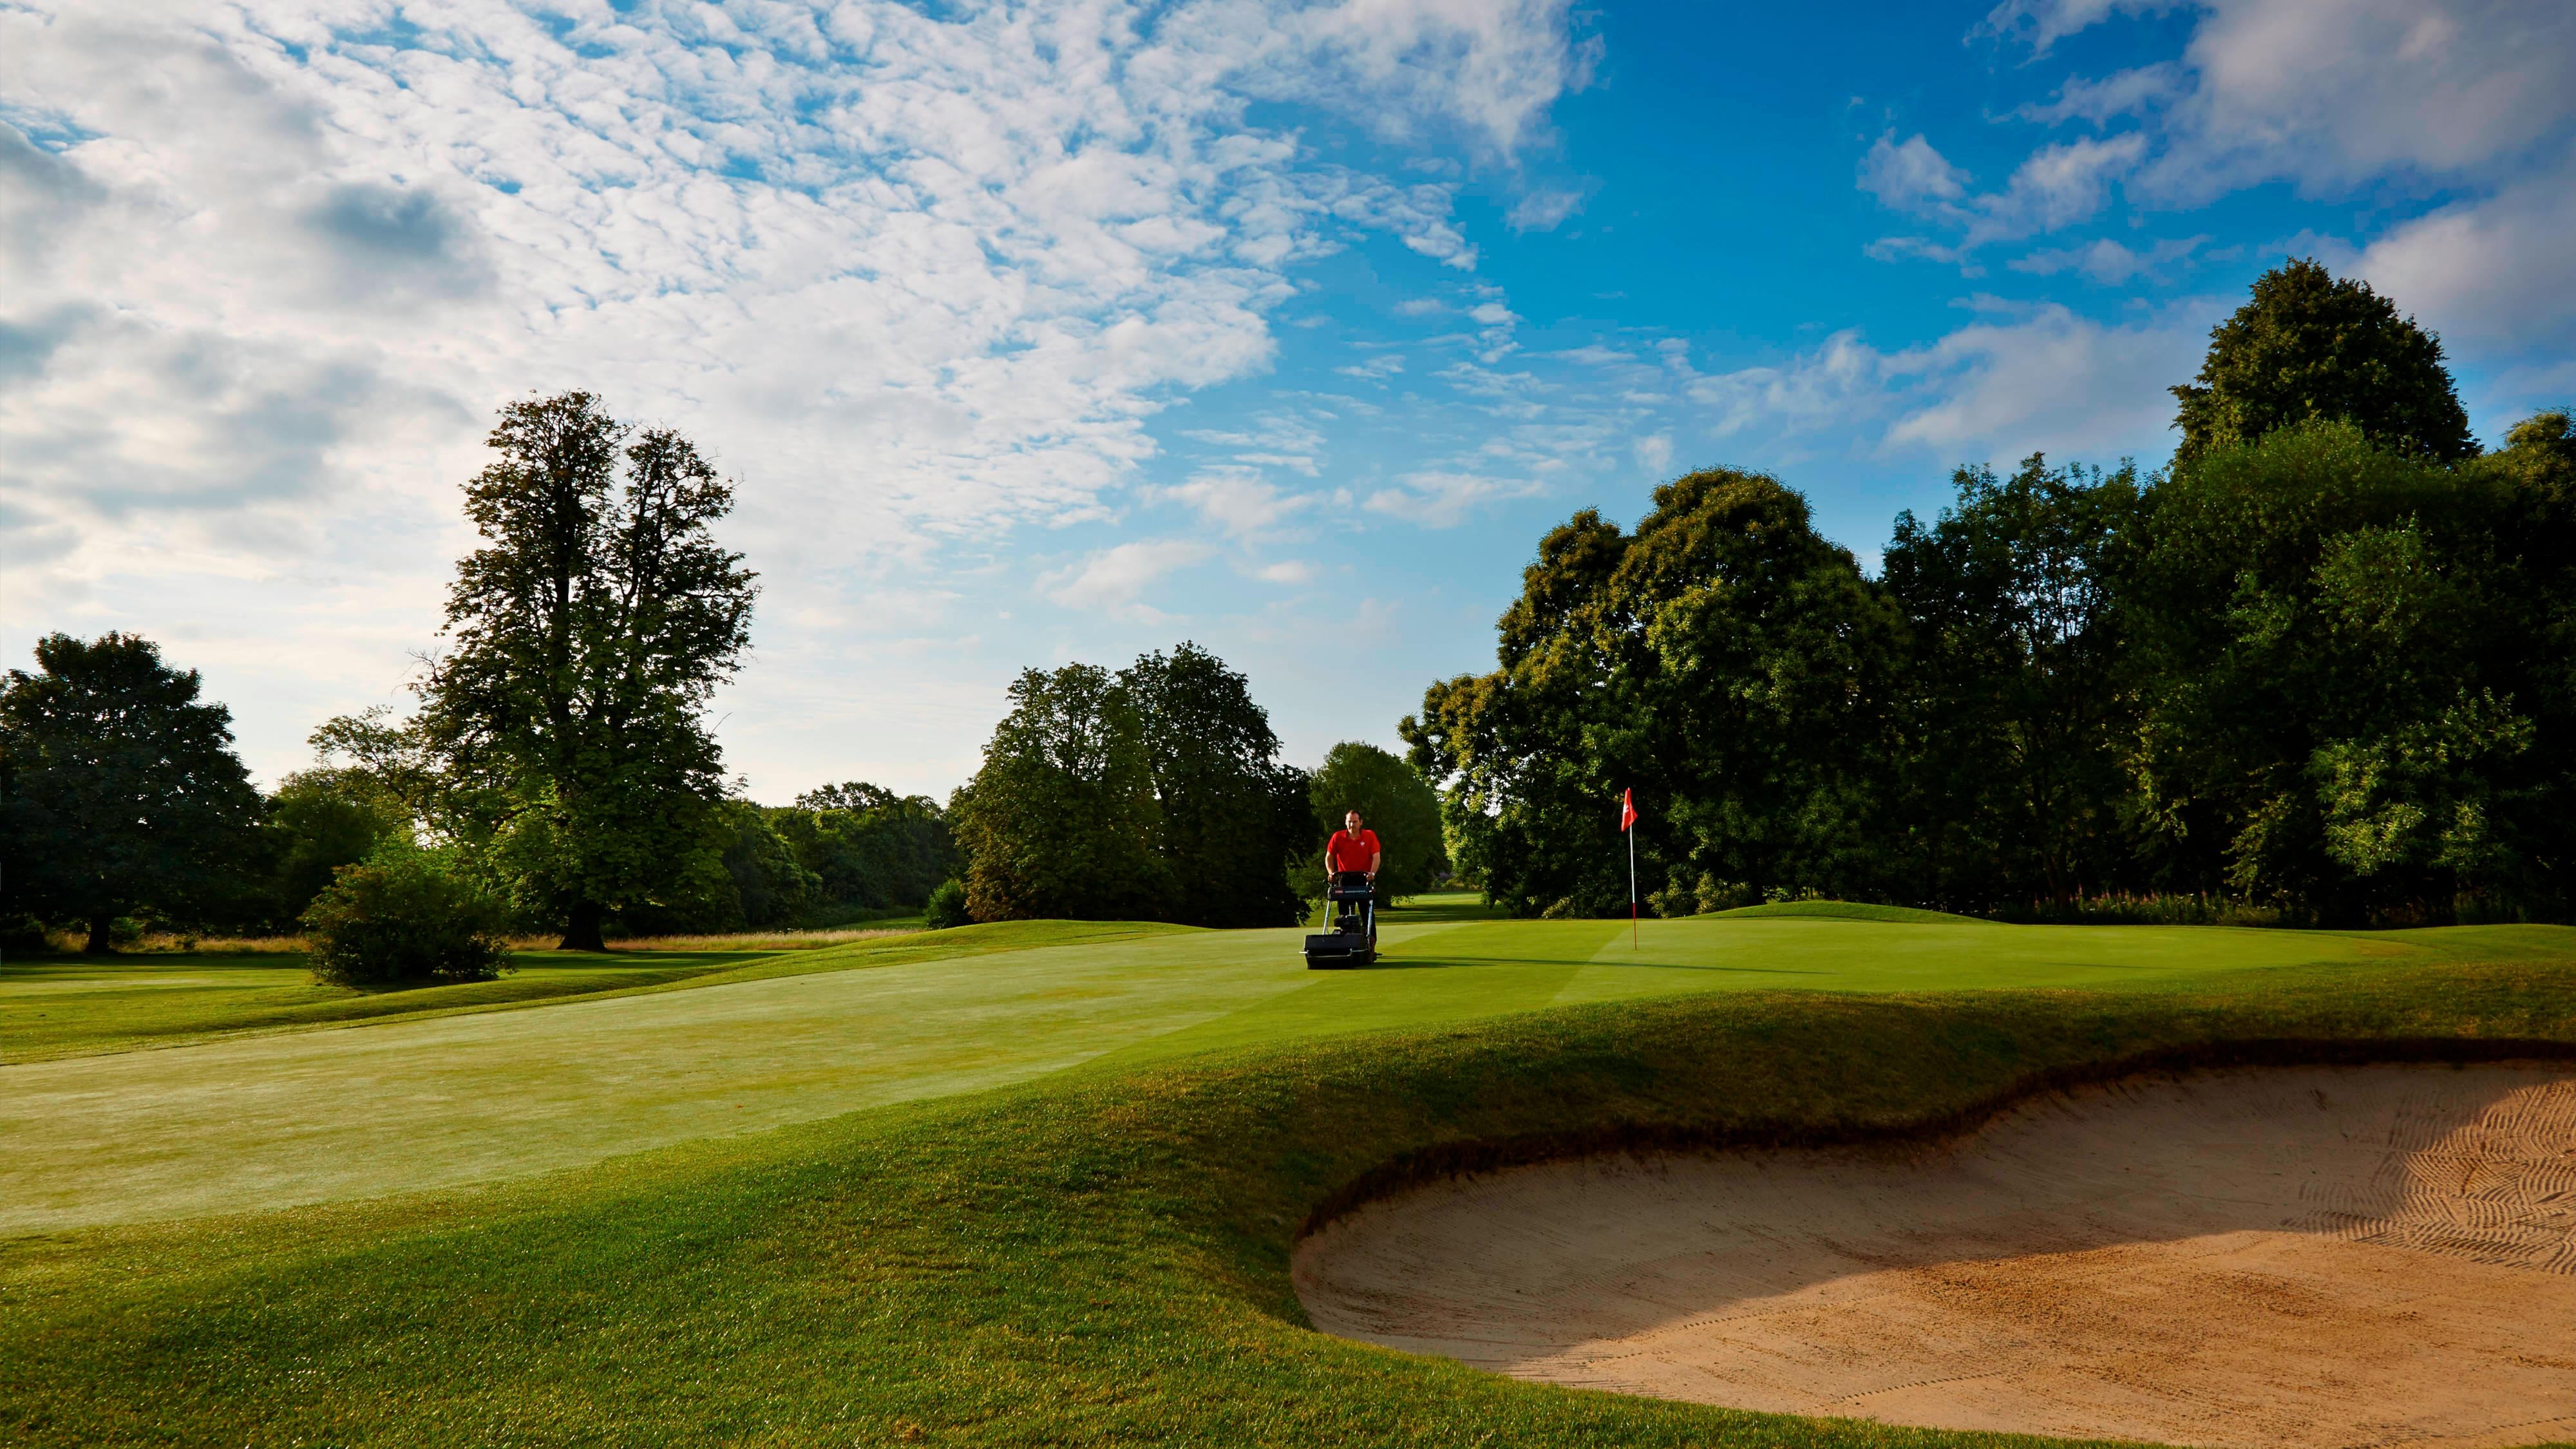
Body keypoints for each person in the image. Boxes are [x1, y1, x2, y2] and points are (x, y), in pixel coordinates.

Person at [1325, 809, 1380, 896]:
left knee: (1365, 907)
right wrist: (1331, 873)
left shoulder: (1370, 836)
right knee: (1343, 907)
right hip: (1344, 877)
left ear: (1361, 822)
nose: (1352, 825)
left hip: (1364, 877)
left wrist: (1372, 873)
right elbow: (1329, 856)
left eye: (1355, 822)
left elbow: (1376, 856)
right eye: (1349, 822)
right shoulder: (1337, 837)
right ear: (1346, 822)